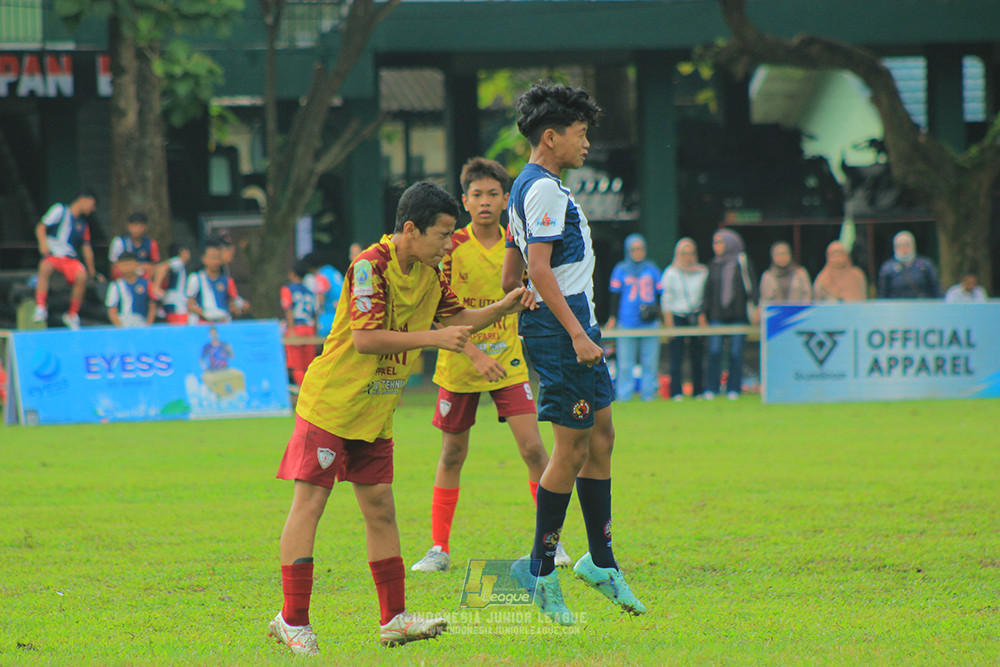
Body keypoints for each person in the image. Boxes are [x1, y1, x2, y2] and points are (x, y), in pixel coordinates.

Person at [268, 181, 534, 655]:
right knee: (309, 507)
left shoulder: (430, 275)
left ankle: (394, 619)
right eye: (443, 233)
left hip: (375, 411)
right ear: (410, 229)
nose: (450, 243)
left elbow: (461, 320)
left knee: (382, 509)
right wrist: (434, 340)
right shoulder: (371, 266)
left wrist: (504, 306)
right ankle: (291, 620)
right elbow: (367, 340)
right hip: (331, 405)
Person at [501, 82, 645, 625]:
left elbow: (515, 272)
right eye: (582, 134)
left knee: (602, 436)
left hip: (573, 324)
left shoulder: (535, 187)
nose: (587, 144)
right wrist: (575, 333)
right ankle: (539, 569)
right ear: (551, 136)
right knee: (571, 448)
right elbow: (537, 269)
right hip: (566, 333)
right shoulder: (541, 190)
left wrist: (525, 300)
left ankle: (600, 561)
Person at [411, 157, 568, 574]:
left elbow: (531, 290)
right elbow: (439, 311)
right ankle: (439, 549)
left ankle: (552, 542)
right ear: (464, 200)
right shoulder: (450, 246)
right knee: (452, 454)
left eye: (493, 194)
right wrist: (473, 353)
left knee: (534, 448)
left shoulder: (518, 245)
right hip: (460, 363)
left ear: (505, 200)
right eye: (476, 194)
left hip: (508, 359)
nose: (484, 202)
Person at [32, 188, 101, 330]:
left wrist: (92, 272)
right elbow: (41, 227)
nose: (92, 209)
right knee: (45, 267)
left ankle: (72, 314)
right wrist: (43, 244)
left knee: (81, 276)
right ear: (84, 199)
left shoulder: (83, 225)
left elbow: (87, 249)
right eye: (92, 204)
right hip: (53, 253)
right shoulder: (60, 210)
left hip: (69, 258)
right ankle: (40, 306)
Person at [700, 228, 757, 401]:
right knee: (714, 351)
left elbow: (752, 286)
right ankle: (712, 388)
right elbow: (708, 291)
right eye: (714, 242)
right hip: (717, 316)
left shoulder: (743, 262)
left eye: (719, 242)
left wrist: (756, 307)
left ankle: (734, 388)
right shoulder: (714, 264)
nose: (716, 246)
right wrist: (703, 313)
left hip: (738, 316)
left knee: (735, 353)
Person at [606, 233, 663, 402]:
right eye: (634, 249)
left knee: (650, 361)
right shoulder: (621, 269)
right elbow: (614, 295)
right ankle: (624, 395)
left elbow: (660, 293)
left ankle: (649, 394)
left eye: (640, 249)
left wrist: (659, 314)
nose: (638, 252)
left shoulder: (652, 268)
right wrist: (612, 317)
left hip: (649, 322)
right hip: (627, 321)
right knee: (625, 363)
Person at [660, 238, 707, 400]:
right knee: (676, 356)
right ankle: (676, 392)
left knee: (697, 355)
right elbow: (666, 299)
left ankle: (699, 391)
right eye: (684, 253)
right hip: (677, 316)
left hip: (696, 316)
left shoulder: (702, 272)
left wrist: (702, 316)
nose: (687, 257)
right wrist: (669, 324)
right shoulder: (671, 272)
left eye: (690, 253)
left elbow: (705, 297)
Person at [186, 240, 246, 324]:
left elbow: (233, 302)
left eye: (217, 258)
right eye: (212, 258)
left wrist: (238, 307)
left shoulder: (227, 280)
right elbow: (190, 304)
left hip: (223, 323)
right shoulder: (196, 278)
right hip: (203, 324)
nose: (215, 262)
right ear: (204, 259)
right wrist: (206, 314)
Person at [281, 259, 319, 386]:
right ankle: (312, 390)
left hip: (296, 327)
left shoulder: (287, 289)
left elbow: (288, 309)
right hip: (309, 328)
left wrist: (291, 329)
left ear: (292, 274)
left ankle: (304, 391)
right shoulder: (309, 292)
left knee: (296, 366)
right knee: (308, 365)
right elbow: (315, 313)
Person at [877, 231, 942, 299]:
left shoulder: (925, 265)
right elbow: (883, 294)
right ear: (895, 248)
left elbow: (936, 290)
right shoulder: (887, 268)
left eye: (907, 245)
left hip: (921, 306)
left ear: (913, 245)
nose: (903, 248)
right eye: (900, 245)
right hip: (897, 307)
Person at [105, 251, 156, 328]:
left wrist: (148, 326)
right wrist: (121, 328)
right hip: (123, 324)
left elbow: (152, 307)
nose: (127, 267)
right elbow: (112, 311)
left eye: (130, 264)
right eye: (124, 265)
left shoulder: (146, 283)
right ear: (118, 266)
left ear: (137, 264)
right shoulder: (115, 286)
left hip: (142, 324)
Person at [108, 211, 160, 279]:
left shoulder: (151, 243)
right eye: (133, 226)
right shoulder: (119, 241)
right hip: (125, 274)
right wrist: (136, 266)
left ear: (145, 227)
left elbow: (155, 264)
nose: (136, 230)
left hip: (145, 276)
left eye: (140, 227)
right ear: (128, 226)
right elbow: (115, 264)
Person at [759, 241, 812, 306]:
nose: (782, 257)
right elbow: (764, 301)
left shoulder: (801, 274)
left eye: (784, 253)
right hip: (776, 314)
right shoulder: (767, 277)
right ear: (773, 257)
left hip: (798, 314)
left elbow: (808, 296)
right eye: (778, 254)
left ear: (790, 255)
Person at [152, 243, 191, 324]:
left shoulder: (178, 264)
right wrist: (156, 287)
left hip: (172, 301)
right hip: (176, 304)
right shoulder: (178, 261)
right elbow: (162, 268)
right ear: (183, 252)